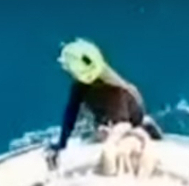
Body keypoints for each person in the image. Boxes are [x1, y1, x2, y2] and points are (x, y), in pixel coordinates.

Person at [48, 39, 162, 167]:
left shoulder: (115, 91)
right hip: (114, 108)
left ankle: (145, 127)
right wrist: (62, 143)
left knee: (119, 130)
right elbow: (70, 113)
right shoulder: (81, 85)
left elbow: (122, 125)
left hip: (127, 113)